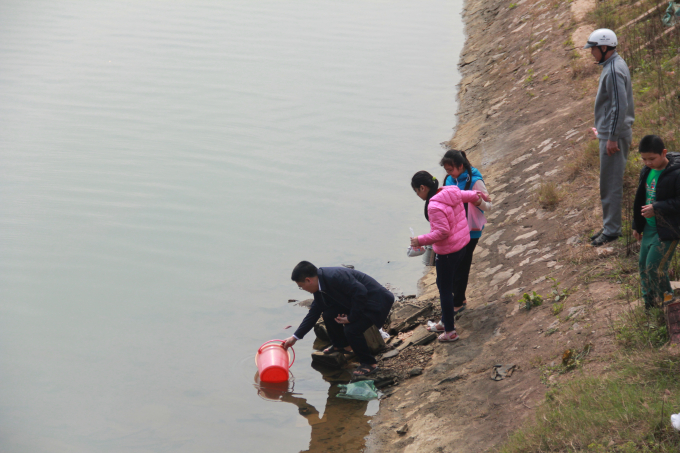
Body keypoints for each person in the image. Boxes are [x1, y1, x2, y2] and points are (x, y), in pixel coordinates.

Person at [282, 261, 395, 377]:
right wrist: (295, 337)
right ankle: (341, 345)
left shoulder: (334, 277)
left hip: (377, 302)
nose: (303, 289)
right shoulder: (321, 284)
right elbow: (314, 313)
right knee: (328, 314)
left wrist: (351, 318)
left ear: (308, 280)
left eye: (301, 286)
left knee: (352, 329)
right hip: (357, 302)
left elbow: (361, 292)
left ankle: (369, 363)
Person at [410, 171, 485, 342]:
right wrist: (479, 197)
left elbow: (442, 232)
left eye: (417, 191)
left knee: (444, 290)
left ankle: (450, 331)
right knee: (443, 284)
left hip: (448, 252)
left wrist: (419, 240)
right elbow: (467, 195)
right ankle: (445, 321)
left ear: (423, 187)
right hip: (462, 245)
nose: (417, 195)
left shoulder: (434, 206)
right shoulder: (449, 190)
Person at [583, 29, 635, 246]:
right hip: (609, 133)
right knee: (608, 181)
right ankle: (609, 225)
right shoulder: (612, 65)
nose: (591, 53)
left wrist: (611, 137)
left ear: (604, 48)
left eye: (593, 49)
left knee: (610, 183)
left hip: (614, 137)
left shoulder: (613, 70)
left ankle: (612, 230)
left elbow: (619, 106)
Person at [440, 150, 492, 318]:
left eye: (450, 169)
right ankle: (459, 298)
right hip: (455, 228)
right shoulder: (449, 180)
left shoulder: (475, 181)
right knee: (455, 264)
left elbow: (488, 206)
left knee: (462, 264)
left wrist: (476, 200)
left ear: (460, 166)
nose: (448, 173)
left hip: (471, 229)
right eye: (446, 170)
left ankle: (458, 301)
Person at [631, 135, 680, 309]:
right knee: (644, 266)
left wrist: (657, 207)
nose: (648, 162)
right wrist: (637, 224)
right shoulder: (646, 171)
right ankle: (650, 305)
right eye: (644, 159)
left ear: (664, 153)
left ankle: (668, 300)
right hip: (649, 228)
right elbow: (640, 199)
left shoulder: (676, 172)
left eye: (652, 158)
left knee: (655, 267)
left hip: (668, 229)